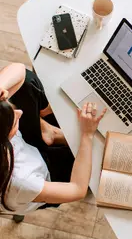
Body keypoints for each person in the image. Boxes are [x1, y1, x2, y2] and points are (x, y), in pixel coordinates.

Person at [0, 63, 106, 215]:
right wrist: (87, 134)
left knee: (27, 83)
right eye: (14, 120)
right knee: (95, 162)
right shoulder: (21, 181)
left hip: (25, 150)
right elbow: (77, 189)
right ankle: (52, 133)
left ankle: (49, 132)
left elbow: (19, 70)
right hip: (45, 174)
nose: (20, 113)